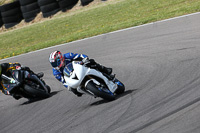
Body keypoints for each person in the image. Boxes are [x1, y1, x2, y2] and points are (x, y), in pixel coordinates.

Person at [49, 51, 115, 97]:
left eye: (55, 63)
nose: (55, 65)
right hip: (72, 77)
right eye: (53, 64)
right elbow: (63, 81)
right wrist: (69, 86)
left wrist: (85, 59)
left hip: (80, 68)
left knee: (91, 62)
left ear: (60, 58)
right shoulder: (55, 72)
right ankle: (89, 91)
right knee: (72, 89)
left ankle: (105, 70)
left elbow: (80, 56)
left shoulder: (68, 56)